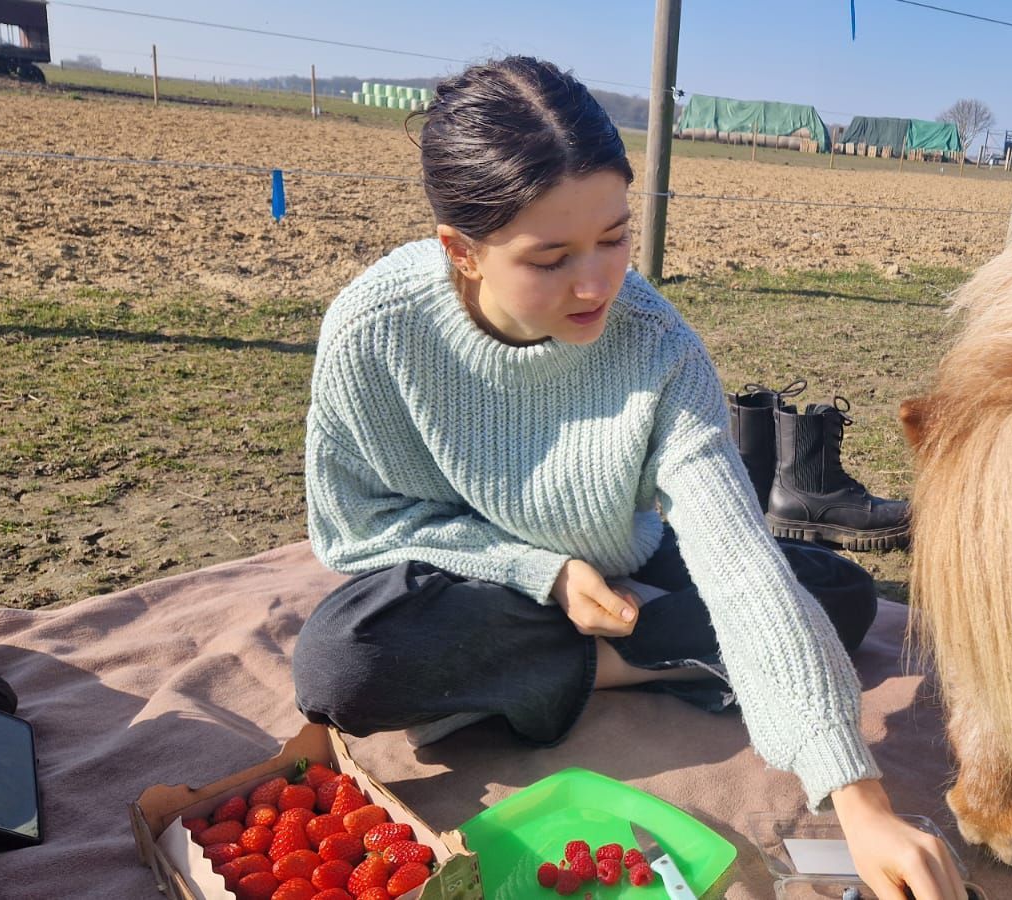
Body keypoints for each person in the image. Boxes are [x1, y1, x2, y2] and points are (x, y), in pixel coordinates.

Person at [290, 56, 966, 900]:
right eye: (551, 257)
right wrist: (543, 572)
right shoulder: (373, 331)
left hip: (630, 555)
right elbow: (358, 531)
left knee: (837, 597)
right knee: (341, 665)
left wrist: (859, 803)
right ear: (461, 251)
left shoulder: (656, 344)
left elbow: (741, 566)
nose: (598, 282)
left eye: (614, 237)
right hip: (475, 582)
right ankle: (636, 656)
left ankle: (578, 666)